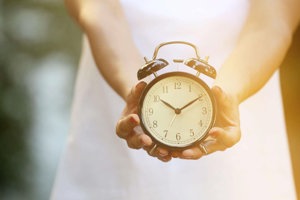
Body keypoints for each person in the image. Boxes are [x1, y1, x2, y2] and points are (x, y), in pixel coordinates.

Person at [51, 0, 300, 199]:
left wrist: (225, 96)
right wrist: (136, 92)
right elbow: (99, 11)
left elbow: (272, 23)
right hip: (114, 139)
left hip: (237, 155)